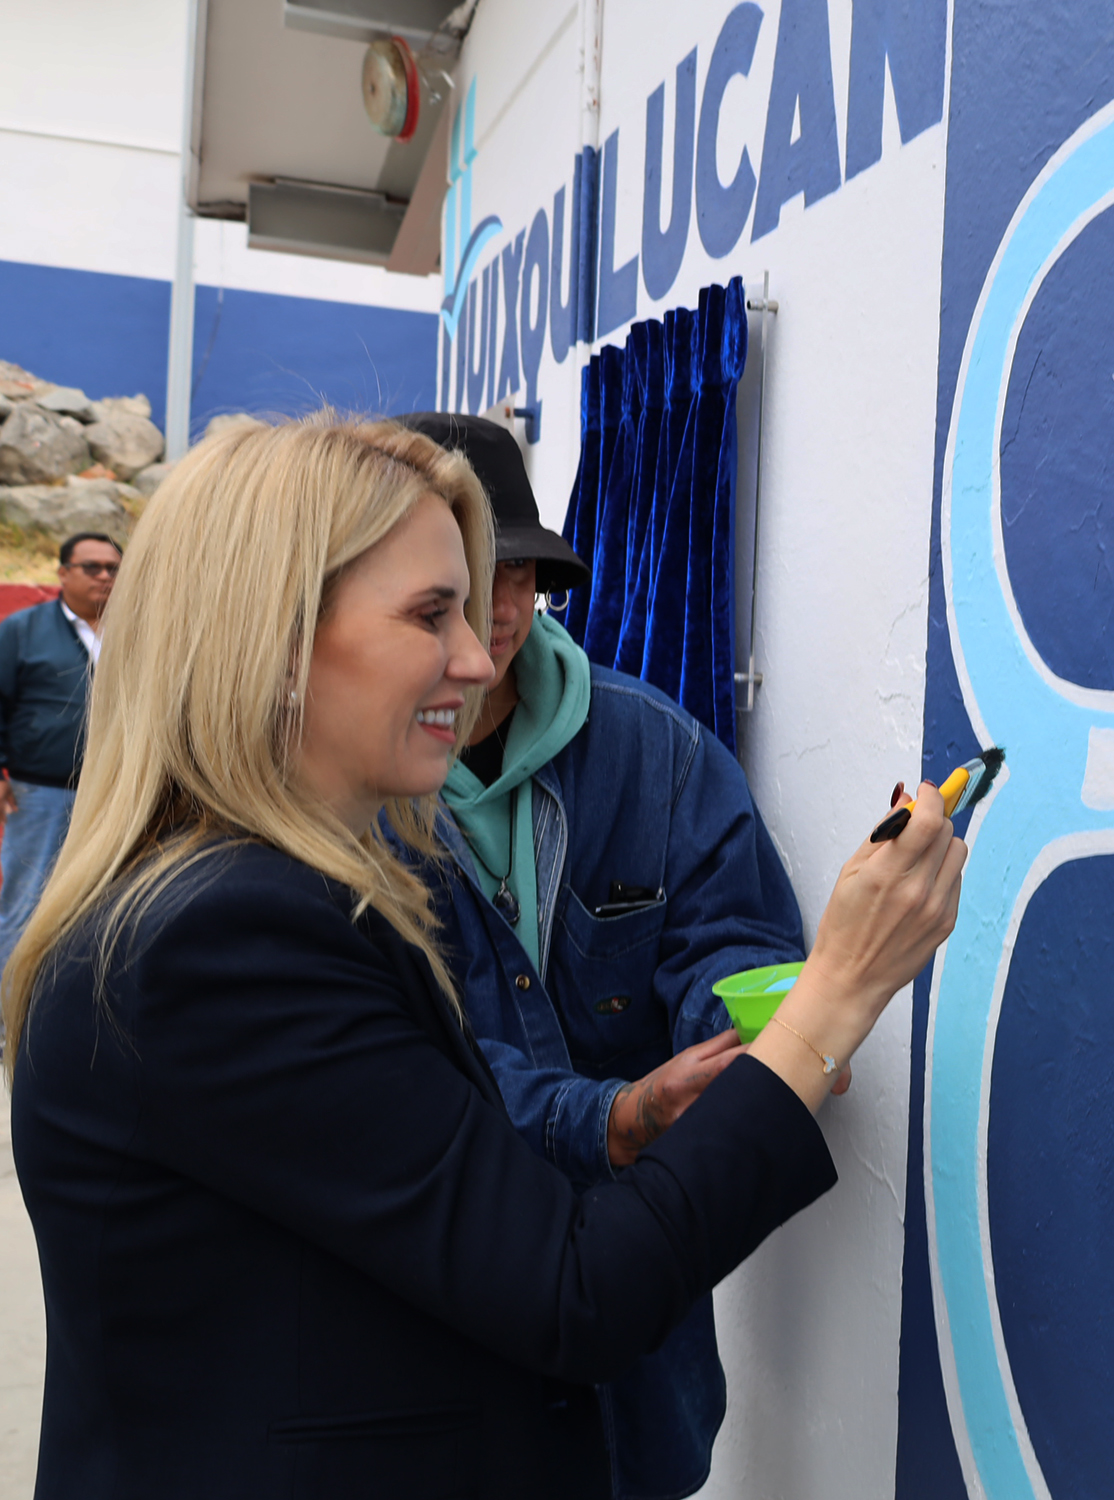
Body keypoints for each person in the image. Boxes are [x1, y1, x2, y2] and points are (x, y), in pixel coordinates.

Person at [3, 413, 966, 1499]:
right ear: (267, 639)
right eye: (432, 612)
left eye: (485, 599)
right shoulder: (224, 941)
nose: (477, 651)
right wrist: (837, 992)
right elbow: (575, 1293)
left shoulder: (234, 898)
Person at [391, 410, 809, 1499]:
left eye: (518, 573)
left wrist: (735, 1043)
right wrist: (611, 1118)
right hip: (432, 1316)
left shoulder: (658, 747)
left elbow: (737, 935)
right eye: (460, 582)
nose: (497, 616)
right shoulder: (334, 801)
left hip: (643, 1348)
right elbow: (402, 1068)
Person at [0, 531, 122, 970]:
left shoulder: (135, 632)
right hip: (41, 794)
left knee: (105, 903)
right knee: (26, 905)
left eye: (113, 568)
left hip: (117, 793)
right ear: (63, 573)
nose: (105, 577)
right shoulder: (22, 630)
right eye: (93, 567)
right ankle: (8, 1024)